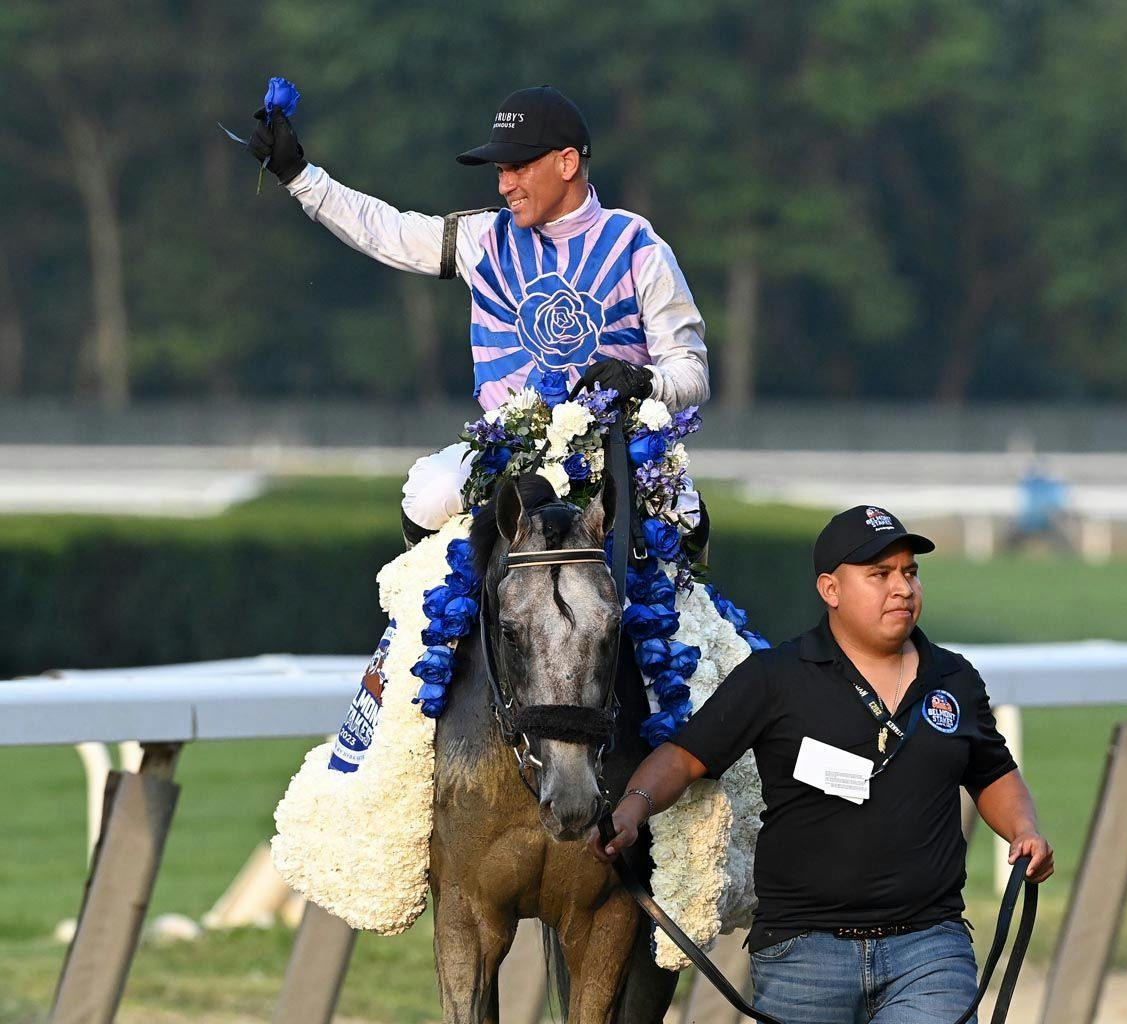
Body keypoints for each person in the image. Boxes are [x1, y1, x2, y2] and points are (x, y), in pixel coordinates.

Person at [589, 504, 1054, 1024]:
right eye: (880, 574)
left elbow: (993, 772)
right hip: (802, 956)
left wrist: (1024, 829)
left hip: (930, 950)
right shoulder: (774, 677)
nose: (902, 587)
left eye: (910, 572)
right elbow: (682, 756)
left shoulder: (955, 679)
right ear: (831, 590)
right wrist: (632, 809)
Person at [246, 85, 708, 538]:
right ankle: (427, 613)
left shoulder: (637, 245)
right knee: (429, 496)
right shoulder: (483, 238)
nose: (505, 185)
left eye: (519, 167)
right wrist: (298, 175)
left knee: (686, 518)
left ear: (567, 163)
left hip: (618, 454)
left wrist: (646, 381)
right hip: (507, 450)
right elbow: (385, 232)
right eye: (501, 170)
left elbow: (693, 372)